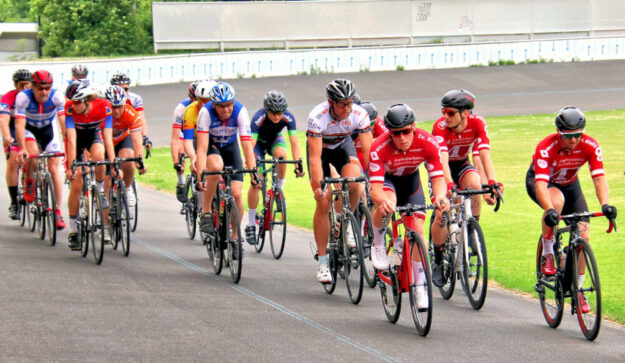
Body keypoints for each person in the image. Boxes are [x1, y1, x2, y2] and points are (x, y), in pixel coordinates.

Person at [526, 106, 616, 313]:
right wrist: (549, 209)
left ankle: (580, 287)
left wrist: (605, 204)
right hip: (543, 183)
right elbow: (541, 185)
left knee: (584, 233)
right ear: (559, 133)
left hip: (570, 183)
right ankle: (548, 253)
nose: (574, 140)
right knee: (556, 201)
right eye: (568, 136)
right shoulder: (545, 147)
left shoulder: (590, 145)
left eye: (578, 135)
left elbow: (599, 178)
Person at [368, 103, 450, 309]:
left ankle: (420, 286)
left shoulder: (428, 142)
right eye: (397, 133)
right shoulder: (378, 147)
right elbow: (375, 190)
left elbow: (438, 178)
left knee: (418, 232)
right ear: (389, 133)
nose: (402, 137)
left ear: (413, 127)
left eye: (406, 131)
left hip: (411, 182)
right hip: (388, 181)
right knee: (388, 203)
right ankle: (378, 243)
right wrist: (382, 202)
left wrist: (440, 196)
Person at [429, 89, 503, 286]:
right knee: (442, 211)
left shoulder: (478, 123)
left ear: (465, 113)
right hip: (441, 169)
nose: (446, 116)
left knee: (475, 186)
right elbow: (442, 161)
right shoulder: (440, 127)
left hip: (462, 163)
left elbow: (484, 154)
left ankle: (470, 229)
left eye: (451, 112)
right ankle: (437, 258)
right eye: (444, 111)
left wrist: (492, 182)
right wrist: (449, 184)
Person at [307, 79, 372, 283]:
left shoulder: (359, 114)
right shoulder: (318, 117)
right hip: (322, 152)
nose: (347, 108)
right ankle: (323, 261)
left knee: (355, 183)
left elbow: (369, 151)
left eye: (350, 103)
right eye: (342, 104)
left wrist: (374, 179)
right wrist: (318, 186)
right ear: (331, 103)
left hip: (343, 147)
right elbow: (315, 158)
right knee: (323, 200)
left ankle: (343, 224)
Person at [195, 82, 258, 259]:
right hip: (212, 146)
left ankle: (236, 237)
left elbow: (246, 145)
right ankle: (206, 210)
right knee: (215, 166)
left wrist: (253, 173)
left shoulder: (240, 111)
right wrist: (201, 175)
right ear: (214, 105)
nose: (226, 110)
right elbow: (201, 148)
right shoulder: (206, 112)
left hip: (231, 147)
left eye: (229, 105)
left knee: (237, 193)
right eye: (221, 106)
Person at [245, 90, 304, 245]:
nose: (277, 117)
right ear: (266, 110)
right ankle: (251, 223)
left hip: (274, 141)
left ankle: (278, 190)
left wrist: (298, 163)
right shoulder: (258, 118)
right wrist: (249, 163)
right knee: (256, 182)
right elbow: (251, 144)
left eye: (280, 113)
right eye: (273, 113)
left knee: (282, 155)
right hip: (258, 144)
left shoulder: (288, 117)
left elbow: (294, 142)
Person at [65, 80, 116, 248]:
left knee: (100, 156)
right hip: (77, 139)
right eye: (73, 102)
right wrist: (72, 166)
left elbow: (107, 137)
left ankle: (100, 191)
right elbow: (71, 140)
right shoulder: (69, 109)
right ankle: (73, 230)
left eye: (78, 102)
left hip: (93, 134)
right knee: (77, 182)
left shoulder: (104, 106)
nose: (74, 105)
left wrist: (113, 161)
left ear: (87, 100)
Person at [14, 70, 66, 229]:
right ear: (33, 87)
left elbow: (63, 123)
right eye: (40, 88)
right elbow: (19, 124)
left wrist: (68, 145)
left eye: (47, 88)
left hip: (47, 130)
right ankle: (29, 179)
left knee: (54, 169)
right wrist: (22, 148)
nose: (44, 91)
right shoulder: (23, 97)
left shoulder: (57, 97)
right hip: (29, 129)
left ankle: (57, 212)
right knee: (33, 154)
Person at [103, 85, 146, 208]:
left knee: (128, 158)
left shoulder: (130, 113)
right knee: (106, 180)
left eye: (119, 107)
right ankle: (105, 221)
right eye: (113, 107)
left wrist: (139, 160)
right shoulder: (103, 113)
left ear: (125, 104)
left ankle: (127, 188)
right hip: (106, 142)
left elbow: (137, 140)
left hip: (122, 139)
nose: (116, 111)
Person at [0, 69, 31, 219]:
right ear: (15, 85)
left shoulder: (35, 97)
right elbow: (3, 120)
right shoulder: (8, 97)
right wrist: (7, 137)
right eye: (22, 85)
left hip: (30, 128)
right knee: (12, 161)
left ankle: (32, 182)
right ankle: (14, 202)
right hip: (13, 129)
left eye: (28, 85)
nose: (25, 88)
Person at [180, 80, 215, 212]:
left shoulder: (219, 110)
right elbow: (187, 141)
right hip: (196, 139)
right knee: (198, 167)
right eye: (200, 100)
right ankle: (202, 208)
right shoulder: (190, 110)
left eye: (206, 101)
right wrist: (194, 158)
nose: (202, 104)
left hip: (214, 139)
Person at [110, 73, 151, 154]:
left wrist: (145, 137)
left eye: (125, 89)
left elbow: (141, 119)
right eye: (119, 89)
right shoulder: (106, 98)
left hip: (125, 130)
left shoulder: (135, 99)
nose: (123, 92)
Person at [171, 80, 199, 202]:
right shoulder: (181, 109)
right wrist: (176, 162)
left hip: (199, 133)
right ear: (190, 97)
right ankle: (181, 181)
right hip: (185, 132)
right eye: (196, 99)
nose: (199, 103)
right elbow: (175, 138)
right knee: (181, 150)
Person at [352, 101, 387, 174]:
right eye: (365, 123)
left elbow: (389, 138)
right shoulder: (352, 126)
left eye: (372, 123)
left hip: (367, 151)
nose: (369, 127)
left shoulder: (379, 124)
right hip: (353, 152)